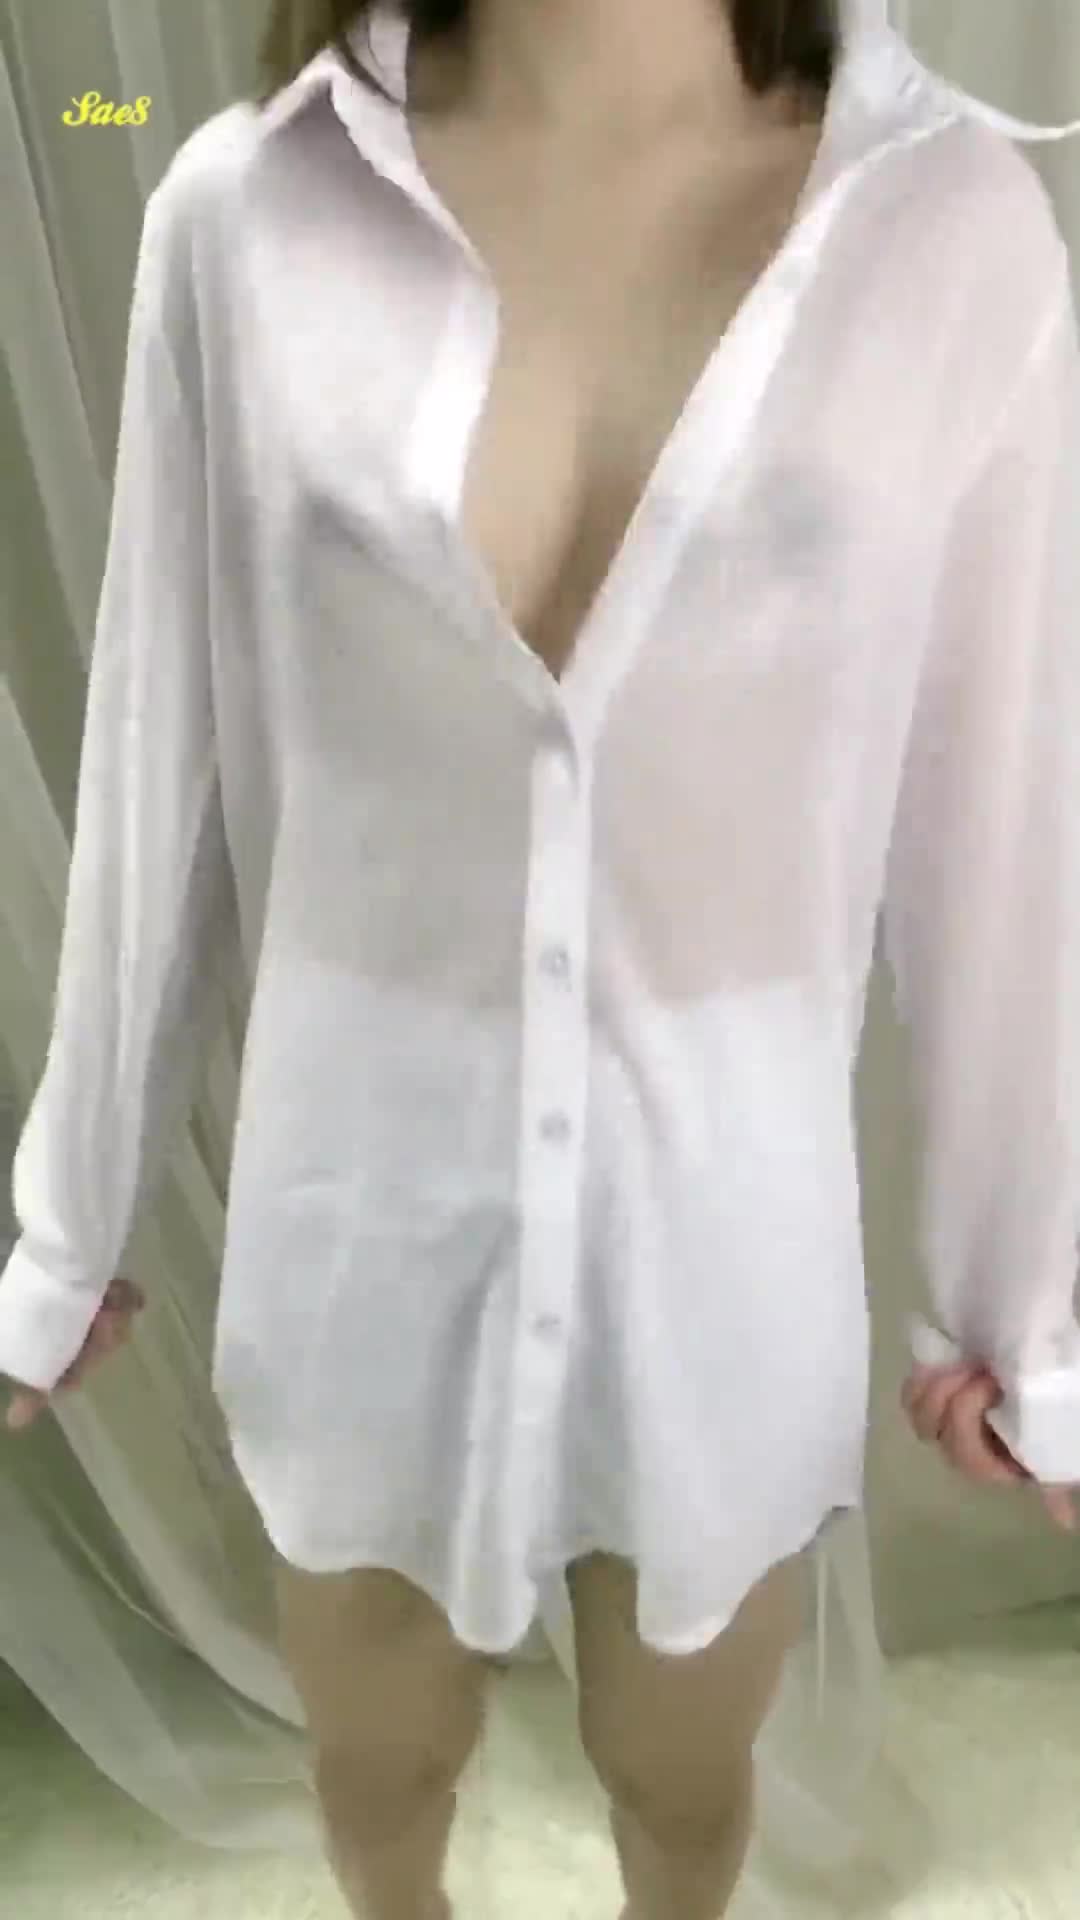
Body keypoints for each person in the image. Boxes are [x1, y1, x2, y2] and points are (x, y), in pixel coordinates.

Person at [2, 1, 1079, 1916]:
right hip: (358, 1233)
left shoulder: (955, 233)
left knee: (684, 1782)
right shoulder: (241, 221)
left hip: (725, 1259)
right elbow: (157, 766)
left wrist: (1034, 1321)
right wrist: (60, 1241)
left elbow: (1007, 816)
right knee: (377, 1760)